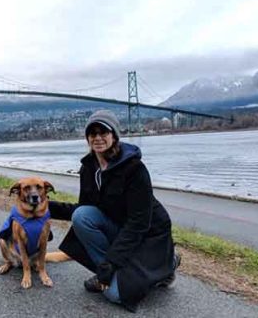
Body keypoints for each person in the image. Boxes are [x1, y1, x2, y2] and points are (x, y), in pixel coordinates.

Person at [49, 110, 180, 312]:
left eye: (104, 132)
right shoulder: (89, 168)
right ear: (87, 138)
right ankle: (110, 274)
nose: (98, 138)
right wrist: (45, 208)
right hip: (120, 226)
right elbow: (85, 207)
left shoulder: (134, 169)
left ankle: (166, 263)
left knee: (115, 295)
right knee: (82, 216)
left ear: (114, 136)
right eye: (93, 133)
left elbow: (139, 223)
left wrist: (111, 261)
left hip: (149, 234)